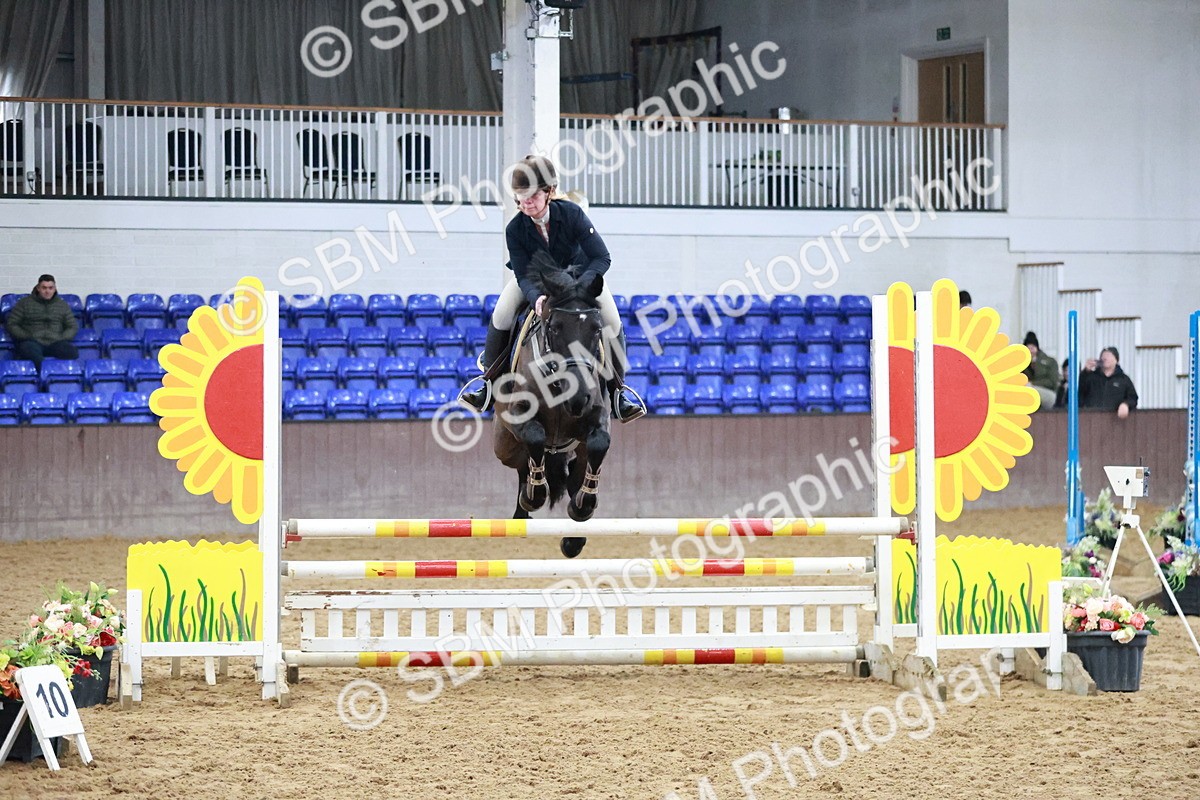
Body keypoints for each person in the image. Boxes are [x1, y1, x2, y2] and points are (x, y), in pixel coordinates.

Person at [458, 155, 645, 422]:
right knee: (502, 313)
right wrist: (535, 297)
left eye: (533, 195)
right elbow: (522, 273)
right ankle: (487, 384)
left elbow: (601, 257)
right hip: (536, 281)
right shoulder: (515, 229)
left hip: (579, 278)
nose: (526, 202)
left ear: (550, 191)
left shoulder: (572, 214)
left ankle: (618, 393)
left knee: (613, 320)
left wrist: (583, 285)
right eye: (520, 197)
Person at [6, 274, 79, 368]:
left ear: (55, 289)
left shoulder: (62, 305)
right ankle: (47, 371)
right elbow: (12, 324)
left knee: (72, 352)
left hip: (56, 342)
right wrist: (26, 336)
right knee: (27, 350)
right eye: (44, 288)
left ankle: (55, 373)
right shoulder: (24, 303)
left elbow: (72, 326)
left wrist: (62, 337)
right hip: (32, 342)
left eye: (50, 288)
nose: (47, 291)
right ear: (38, 288)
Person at [1079, 346, 1137, 419]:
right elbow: (1079, 391)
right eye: (1103, 356)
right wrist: (1085, 372)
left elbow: (1133, 398)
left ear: (1116, 360)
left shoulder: (1123, 379)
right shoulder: (1091, 377)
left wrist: (1126, 404)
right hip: (1092, 419)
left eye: (1109, 355)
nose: (1105, 358)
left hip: (1114, 420)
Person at [1021, 331, 1059, 411]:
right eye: (1028, 348)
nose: (1031, 350)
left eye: (1032, 347)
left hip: (1048, 394)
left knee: (1028, 389)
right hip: (1027, 395)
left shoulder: (1050, 362)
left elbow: (1052, 382)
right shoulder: (1022, 364)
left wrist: (1032, 384)